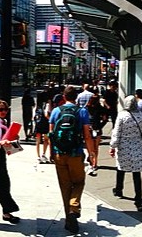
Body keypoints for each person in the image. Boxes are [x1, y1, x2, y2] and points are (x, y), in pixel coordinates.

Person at [49, 85, 93, 234]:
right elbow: (87, 134)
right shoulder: (82, 111)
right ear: (76, 97)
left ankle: (69, 220)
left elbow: (51, 135)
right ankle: (74, 208)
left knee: (65, 186)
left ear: (64, 96)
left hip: (59, 153)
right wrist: (92, 153)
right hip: (76, 153)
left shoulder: (56, 111)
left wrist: (51, 153)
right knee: (79, 182)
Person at [109, 95, 142, 211]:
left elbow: (116, 133)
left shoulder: (121, 116)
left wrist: (112, 146)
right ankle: (138, 199)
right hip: (137, 146)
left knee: (120, 168)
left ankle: (119, 190)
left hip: (123, 147)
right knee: (136, 174)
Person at [85, 88, 108, 176]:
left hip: (89, 129)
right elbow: (105, 119)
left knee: (90, 147)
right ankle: (94, 163)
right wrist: (100, 126)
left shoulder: (87, 108)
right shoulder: (100, 108)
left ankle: (92, 162)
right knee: (95, 147)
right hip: (97, 129)